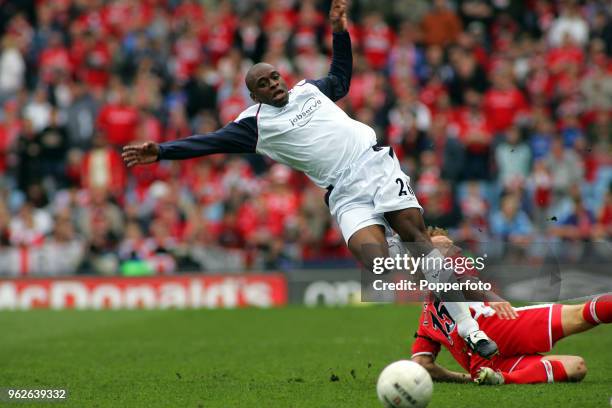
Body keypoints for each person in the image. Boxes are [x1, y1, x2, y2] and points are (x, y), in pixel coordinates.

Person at [121, 0, 498, 359]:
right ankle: (425, 251)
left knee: (417, 241)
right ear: (254, 96)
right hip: (343, 193)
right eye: (264, 84)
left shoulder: (309, 90)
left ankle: (470, 329)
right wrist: (164, 151)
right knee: (378, 265)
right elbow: (207, 143)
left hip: (375, 166)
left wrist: (339, 32)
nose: (274, 84)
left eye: (275, 76)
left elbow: (341, 77)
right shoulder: (255, 126)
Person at [410, 230, 611, 385]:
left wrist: (464, 377)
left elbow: (422, 365)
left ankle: (502, 379)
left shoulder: (425, 322)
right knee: (580, 315)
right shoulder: (450, 257)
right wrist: (491, 295)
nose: (451, 247)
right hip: (494, 326)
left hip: (484, 363)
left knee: (576, 367)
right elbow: (462, 281)